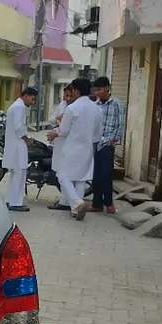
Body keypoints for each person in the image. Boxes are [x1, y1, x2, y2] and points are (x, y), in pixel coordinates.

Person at [47, 78, 102, 221]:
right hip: (88, 148)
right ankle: (75, 210)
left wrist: (55, 133)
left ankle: (77, 203)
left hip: (72, 147)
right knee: (80, 179)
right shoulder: (97, 109)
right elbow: (97, 135)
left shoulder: (72, 108)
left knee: (62, 176)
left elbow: (64, 130)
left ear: (76, 91)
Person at [90, 76, 125, 214]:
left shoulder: (116, 104)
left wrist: (113, 140)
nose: (97, 93)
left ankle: (109, 203)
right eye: (95, 90)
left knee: (106, 175)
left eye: (99, 90)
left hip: (108, 144)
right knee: (96, 175)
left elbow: (120, 124)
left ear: (106, 88)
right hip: (96, 143)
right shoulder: (95, 105)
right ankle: (96, 204)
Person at [3, 86, 38, 212]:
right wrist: (27, 139)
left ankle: (10, 200)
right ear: (26, 95)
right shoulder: (20, 107)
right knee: (19, 174)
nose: (33, 102)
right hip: (18, 146)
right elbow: (19, 127)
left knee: (15, 175)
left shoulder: (15, 106)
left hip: (14, 145)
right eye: (32, 99)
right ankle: (16, 203)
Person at [48, 85, 74, 212]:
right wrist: (58, 119)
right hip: (59, 142)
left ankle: (69, 201)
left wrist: (62, 121)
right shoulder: (62, 105)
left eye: (69, 95)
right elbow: (52, 118)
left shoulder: (75, 108)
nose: (66, 98)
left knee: (66, 174)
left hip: (68, 143)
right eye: (65, 95)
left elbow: (67, 128)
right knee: (60, 172)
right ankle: (65, 200)